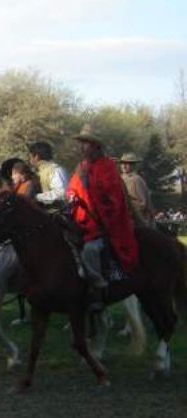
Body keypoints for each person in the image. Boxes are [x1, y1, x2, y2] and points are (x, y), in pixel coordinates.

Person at [66, 125, 138, 311]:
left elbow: (111, 198)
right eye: (81, 143)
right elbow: (72, 188)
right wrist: (71, 195)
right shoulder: (81, 167)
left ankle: (99, 288)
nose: (81, 147)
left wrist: (86, 188)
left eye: (85, 143)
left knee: (90, 250)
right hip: (79, 221)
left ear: (96, 146)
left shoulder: (108, 167)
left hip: (102, 225)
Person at [118, 153, 155, 227]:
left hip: (136, 221)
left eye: (127, 164)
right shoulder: (119, 178)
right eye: (122, 163)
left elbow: (142, 204)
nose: (124, 166)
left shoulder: (136, 180)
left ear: (133, 165)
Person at [28, 141, 68, 205]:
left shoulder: (56, 170)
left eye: (30, 157)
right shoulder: (39, 172)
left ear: (36, 157)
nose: (29, 160)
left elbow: (61, 194)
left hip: (56, 210)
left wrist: (36, 197)